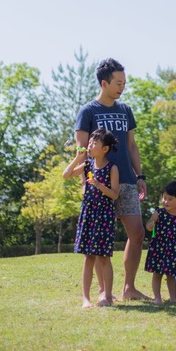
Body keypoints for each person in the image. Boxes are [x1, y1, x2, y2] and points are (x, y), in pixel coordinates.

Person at [74, 58, 149, 301]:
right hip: (98, 185)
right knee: (97, 241)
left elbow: (131, 146)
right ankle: (102, 292)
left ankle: (129, 288)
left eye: (124, 83)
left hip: (126, 180)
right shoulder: (88, 111)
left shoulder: (125, 110)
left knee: (137, 233)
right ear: (104, 83)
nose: (122, 87)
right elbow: (82, 150)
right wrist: (85, 183)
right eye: (118, 83)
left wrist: (140, 175)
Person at [62, 128, 119, 308]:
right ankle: (85, 298)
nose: (90, 145)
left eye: (95, 143)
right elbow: (66, 175)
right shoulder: (87, 165)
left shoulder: (112, 168)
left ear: (105, 149)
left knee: (104, 257)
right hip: (88, 214)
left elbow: (114, 194)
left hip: (104, 216)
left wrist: (98, 184)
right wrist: (77, 159)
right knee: (88, 257)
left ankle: (107, 296)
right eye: (90, 142)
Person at [143, 180, 176, 306]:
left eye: (170, 199)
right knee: (157, 274)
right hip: (158, 248)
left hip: (173, 250)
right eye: (164, 198)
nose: (165, 201)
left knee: (171, 275)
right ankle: (157, 298)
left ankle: (173, 297)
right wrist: (150, 225)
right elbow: (149, 225)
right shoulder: (159, 213)